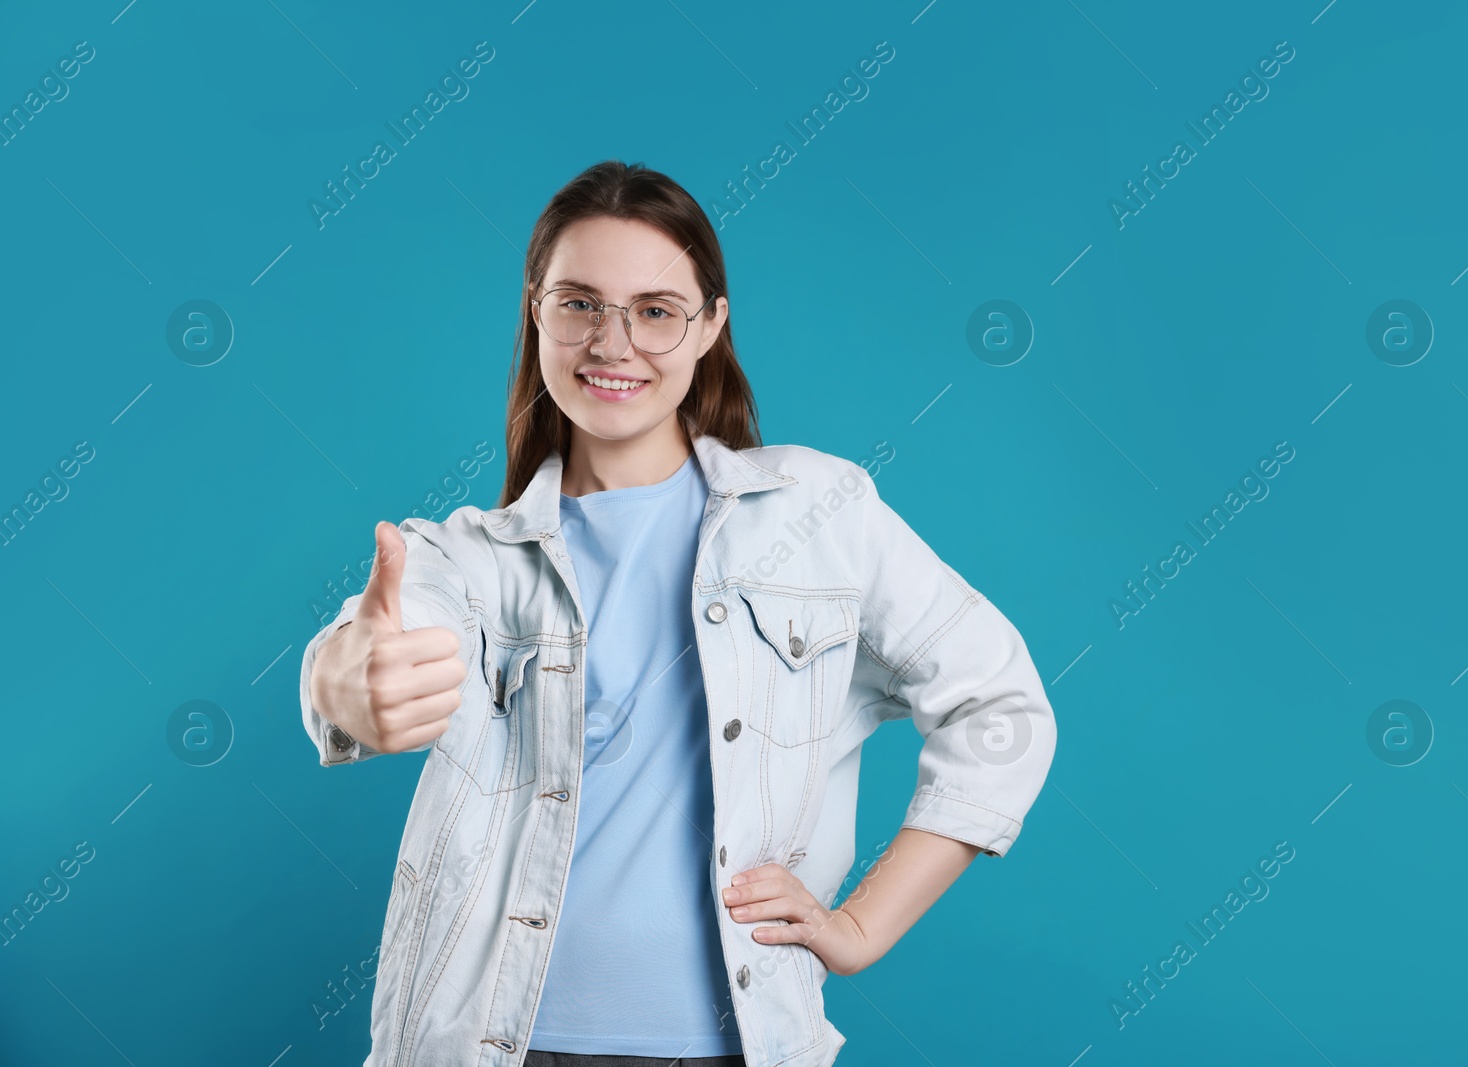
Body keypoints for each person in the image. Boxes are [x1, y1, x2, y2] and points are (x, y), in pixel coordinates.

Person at [301, 160, 1056, 1067]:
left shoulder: (818, 510)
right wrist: (347, 676)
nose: (613, 343)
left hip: (739, 1045)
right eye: (579, 303)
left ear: (710, 327)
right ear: (535, 312)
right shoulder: (470, 555)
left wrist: (861, 924)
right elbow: (380, 635)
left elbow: (999, 704)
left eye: (655, 310)